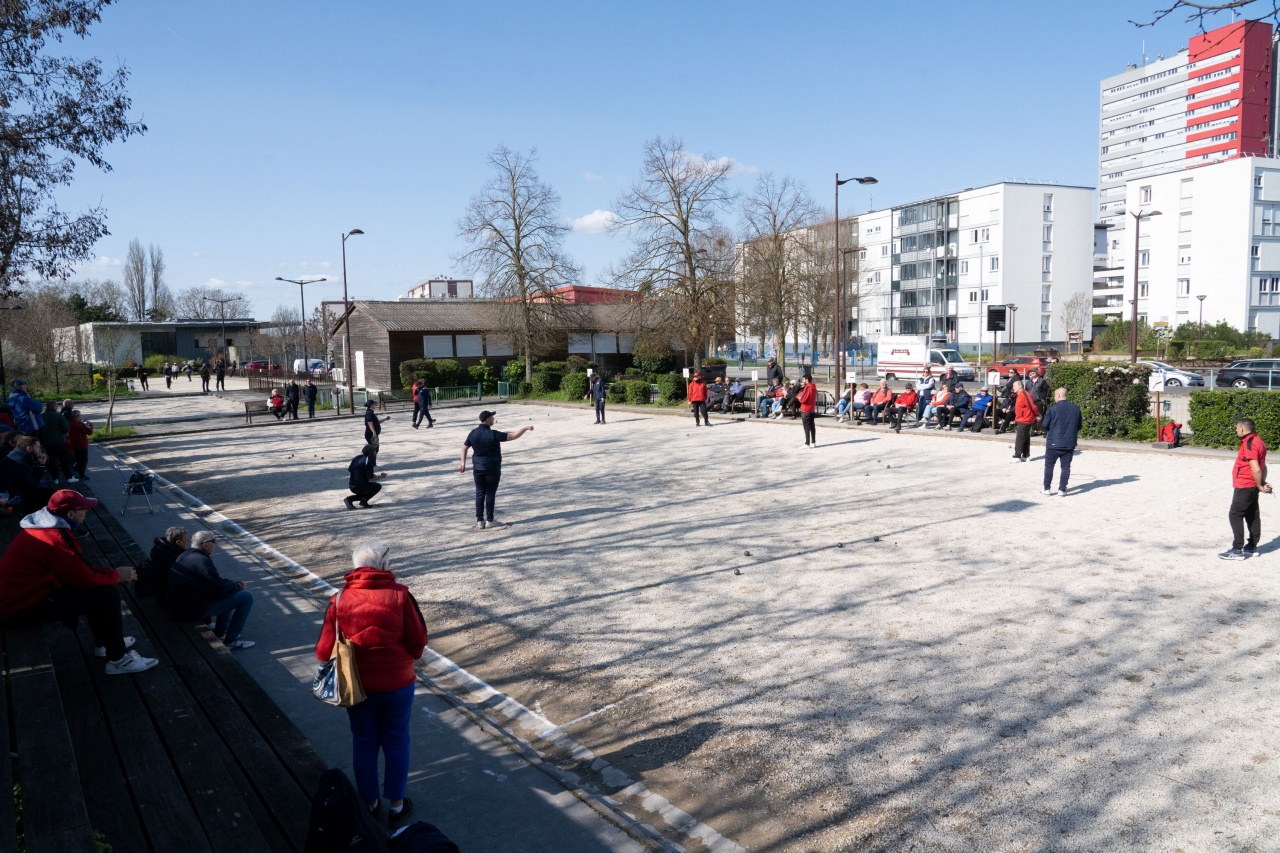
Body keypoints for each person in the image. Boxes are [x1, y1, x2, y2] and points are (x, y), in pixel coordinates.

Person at [315, 541, 427, 825]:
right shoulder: (401, 595)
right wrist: (405, 658)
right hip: (398, 683)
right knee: (397, 740)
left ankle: (370, 803)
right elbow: (418, 641)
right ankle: (397, 806)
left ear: (355, 567)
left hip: (357, 686)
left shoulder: (339, 599)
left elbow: (323, 651)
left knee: (364, 742)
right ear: (384, 565)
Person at [0, 490, 157, 674]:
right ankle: (119, 659)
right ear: (70, 514)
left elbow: (76, 569)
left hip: (19, 598)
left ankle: (106, 643)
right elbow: (83, 579)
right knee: (106, 593)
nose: (87, 512)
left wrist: (111, 573)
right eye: (83, 509)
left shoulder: (43, 526)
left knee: (97, 590)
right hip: (16, 608)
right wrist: (115, 576)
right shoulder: (56, 537)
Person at [168, 530, 255, 649]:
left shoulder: (185, 555)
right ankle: (231, 640)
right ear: (205, 545)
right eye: (214, 541)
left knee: (229, 591)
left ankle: (221, 633)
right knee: (246, 596)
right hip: (191, 610)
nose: (215, 544)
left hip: (180, 606)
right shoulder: (202, 562)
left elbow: (215, 583)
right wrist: (237, 586)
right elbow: (219, 588)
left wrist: (233, 586)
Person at [459, 410, 533, 530]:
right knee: (490, 493)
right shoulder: (493, 434)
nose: (493, 419)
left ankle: (479, 521)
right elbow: (513, 436)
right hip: (492, 468)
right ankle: (490, 520)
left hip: (477, 468)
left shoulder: (473, 433)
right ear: (487, 419)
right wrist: (525, 428)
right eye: (492, 417)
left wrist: (463, 463)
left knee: (479, 493)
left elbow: (464, 448)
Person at [1221, 419, 1273, 560]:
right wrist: (1261, 483)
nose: (1236, 430)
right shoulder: (1259, 441)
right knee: (1252, 515)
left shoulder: (1250, 443)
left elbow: (1256, 468)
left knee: (1235, 514)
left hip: (1245, 484)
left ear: (1242, 429)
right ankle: (1251, 547)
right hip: (1252, 484)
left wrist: (1260, 485)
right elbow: (1263, 466)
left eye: (1237, 428)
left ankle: (1237, 549)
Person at [1040, 387, 1082, 496]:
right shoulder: (1076, 409)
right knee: (1066, 467)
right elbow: (1079, 426)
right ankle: (1062, 489)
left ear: (1058, 395)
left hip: (1053, 442)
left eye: (1055, 395)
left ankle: (1047, 488)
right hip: (1069, 442)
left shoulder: (1052, 409)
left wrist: (1051, 430)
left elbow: (1044, 425)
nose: (1054, 397)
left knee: (1049, 466)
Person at [0, 436, 53, 510]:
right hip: (8, 495)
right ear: (29, 448)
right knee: (48, 493)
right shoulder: (19, 461)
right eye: (37, 447)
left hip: (15, 488)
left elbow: (33, 479)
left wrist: (41, 464)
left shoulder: (19, 455)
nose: (40, 450)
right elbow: (29, 485)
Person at [145, 526, 188, 606]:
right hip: (167, 598)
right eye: (186, 539)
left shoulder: (159, 550)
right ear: (178, 542)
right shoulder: (175, 559)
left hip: (159, 592)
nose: (188, 541)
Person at [40, 399, 75, 484]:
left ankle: (55, 478)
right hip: (59, 440)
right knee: (64, 459)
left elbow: (39, 429)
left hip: (47, 441)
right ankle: (69, 477)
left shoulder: (41, 416)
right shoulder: (59, 416)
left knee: (52, 460)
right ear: (54, 406)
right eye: (56, 406)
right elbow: (65, 428)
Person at [346, 444, 386, 509]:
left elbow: (350, 469)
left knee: (366, 490)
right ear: (371, 452)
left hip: (352, 485)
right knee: (377, 486)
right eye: (374, 451)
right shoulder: (368, 461)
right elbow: (371, 478)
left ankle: (350, 499)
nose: (375, 452)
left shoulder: (357, 457)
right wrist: (382, 476)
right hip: (360, 486)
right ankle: (362, 501)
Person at [1011, 379, 1039, 462]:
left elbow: (1032, 405)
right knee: (1025, 437)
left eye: (1014, 386)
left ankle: (1017, 456)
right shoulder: (1019, 395)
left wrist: (1037, 414)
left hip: (1025, 419)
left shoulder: (1024, 394)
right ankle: (1026, 455)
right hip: (1023, 418)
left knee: (1020, 438)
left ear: (1020, 386)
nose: (1013, 388)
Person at [67, 410, 93, 480]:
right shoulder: (79, 424)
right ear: (77, 416)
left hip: (74, 444)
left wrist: (81, 422)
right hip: (82, 444)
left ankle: (76, 470)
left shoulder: (70, 423)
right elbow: (89, 432)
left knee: (77, 458)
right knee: (83, 460)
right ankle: (82, 474)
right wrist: (91, 426)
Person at [797, 375, 817, 447]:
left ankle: (807, 443)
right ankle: (813, 442)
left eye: (803, 379)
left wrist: (799, 398)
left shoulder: (808, 387)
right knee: (812, 426)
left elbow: (804, 398)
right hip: (812, 408)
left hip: (806, 409)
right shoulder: (813, 387)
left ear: (806, 380)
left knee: (806, 427)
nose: (803, 381)